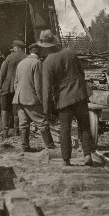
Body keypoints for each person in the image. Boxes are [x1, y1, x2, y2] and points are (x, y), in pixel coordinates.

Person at [40, 30, 93, 166]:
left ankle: (66, 160)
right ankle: (87, 155)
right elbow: (82, 73)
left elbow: (46, 89)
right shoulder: (70, 53)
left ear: (45, 46)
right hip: (80, 95)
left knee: (65, 129)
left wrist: (46, 110)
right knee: (84, 126)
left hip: (63, 99)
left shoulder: (47, 62)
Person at [13, 43, 55, 152]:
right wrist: (42, 101)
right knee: (42, 122)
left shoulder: (21, 63)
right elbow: (38, 85)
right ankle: (50, 147)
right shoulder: (37, 63)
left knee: (23, 124)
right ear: (39, 52)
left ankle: (24, 147)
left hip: (19, 98)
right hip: (31, 99)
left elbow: (16, 83)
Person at [0, 40, 27, 137]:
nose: (13, 49)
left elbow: (2, 74)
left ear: (17, 48)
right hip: (20, 87)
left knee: (5, 108)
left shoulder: (9, 57)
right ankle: (17, 130)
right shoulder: (26, 57)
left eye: (14, 47)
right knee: (17, 108)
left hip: (7, 87)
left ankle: (5, 131)